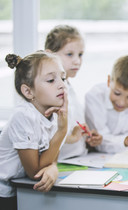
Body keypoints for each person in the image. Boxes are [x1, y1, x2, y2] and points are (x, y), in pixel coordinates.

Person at [0, 52, 68, 210]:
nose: (62, 84)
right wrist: (62, 131)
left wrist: (53, 167)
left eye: (63, 78)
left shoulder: (51, 115)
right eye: (51, 80)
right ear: (28, 92)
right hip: (3, 194)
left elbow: (50, 157)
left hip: (20, 190)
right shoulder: (23, 116)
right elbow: (35, 170)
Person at [45, 25, 102, 160]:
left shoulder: (69, 86)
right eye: (69, 54)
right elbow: (47, 135)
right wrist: (73, 137)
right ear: (49, 55)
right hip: (59, 162)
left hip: (78, 157)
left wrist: (87, 136)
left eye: (80, 55)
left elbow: (73, 125)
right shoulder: (48, 92)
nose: (77, 61)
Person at [85, 55, 128, 153]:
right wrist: (125, 140)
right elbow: (100, 140)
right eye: (117, 93)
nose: (121, 102)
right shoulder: (95, 97)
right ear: (109, 81)